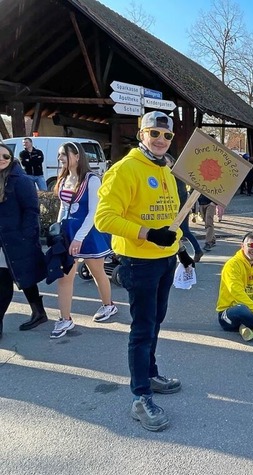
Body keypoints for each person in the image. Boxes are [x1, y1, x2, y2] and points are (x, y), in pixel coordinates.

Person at [95, 111, 195, 432]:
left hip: (165, 261)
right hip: (139, 262)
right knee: (141, 330)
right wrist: (148, 234)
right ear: (141, 135)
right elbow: (105, 219)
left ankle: (149, 374)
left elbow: (171, 218)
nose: (161, 140)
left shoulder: (166, 170)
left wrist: (179, 248)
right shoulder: (125, 169)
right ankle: (140, 397)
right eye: (154, 134)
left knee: (156, 322)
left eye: (166, 136)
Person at [51, 142, 117, 339]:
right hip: (67, 233)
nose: (60, 158)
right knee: (64, 276)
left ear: (77, 155)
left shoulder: (92, 179)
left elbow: (93, 213)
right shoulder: (63, 179)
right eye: (59, 155)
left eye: (64, 154)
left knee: (97, 272)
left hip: (88, 233)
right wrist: (58, 231)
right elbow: (63, 208)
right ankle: (65, 318)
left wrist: (79, 238)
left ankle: (109, 306)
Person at [0, 142, 48, 338]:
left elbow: (31, 210)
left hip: (15, 239)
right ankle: (39, 312)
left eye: (5, 156)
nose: (1, 159)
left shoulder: (20, 180)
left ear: (11, 159)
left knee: (6, 280)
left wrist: (27, 236)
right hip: (3, 240)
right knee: (21, 276)